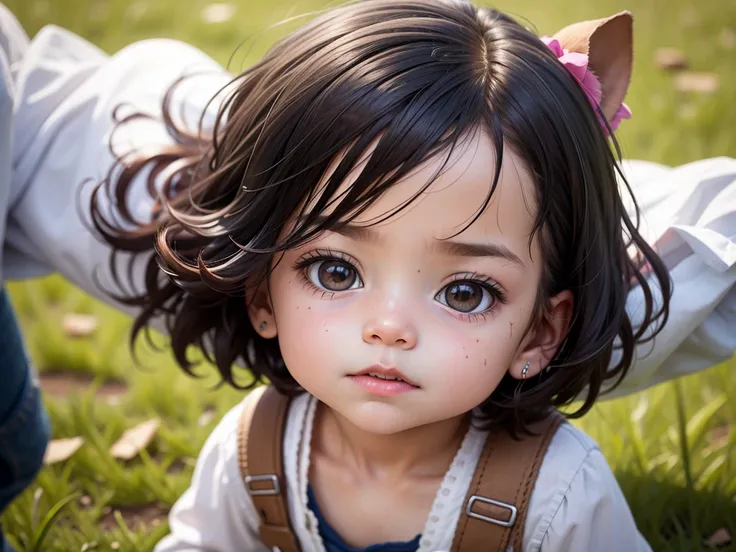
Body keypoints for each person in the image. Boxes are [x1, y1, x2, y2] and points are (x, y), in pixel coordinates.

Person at [0, 1, 734, 550]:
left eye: (465, 292)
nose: (389, 326)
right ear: (263, 291)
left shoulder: (557, 495)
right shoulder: (252, 452)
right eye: (335, 269)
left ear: (539, 329)